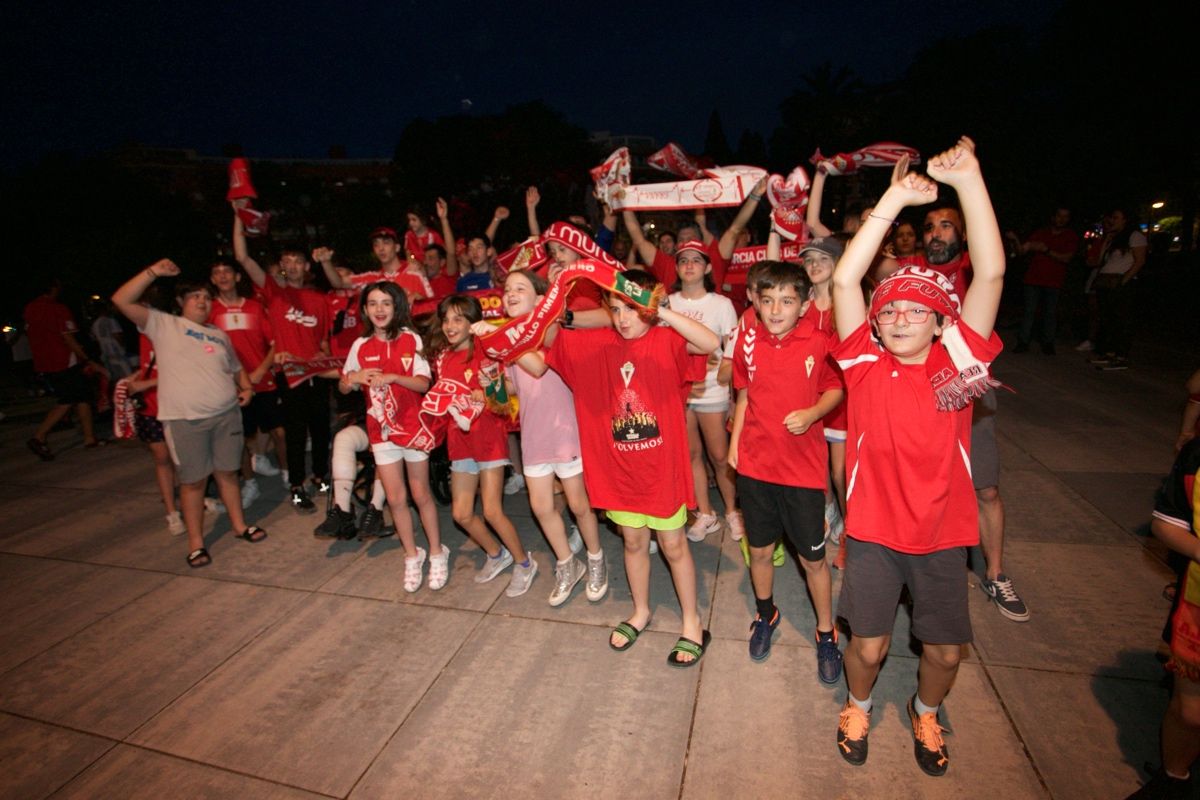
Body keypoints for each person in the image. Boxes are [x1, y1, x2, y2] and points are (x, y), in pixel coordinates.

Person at [831, 138, 1004, 777]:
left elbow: (989, 274)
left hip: (940, 534)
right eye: (891, 310)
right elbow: (847, 277)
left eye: (917, 310)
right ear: (875, 325)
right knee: (868, 648)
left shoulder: (958, 365)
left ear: (941, 323)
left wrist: (972, 183)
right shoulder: (863, 365)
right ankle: (857, 703)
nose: (901, 317)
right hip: (874, 532)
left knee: (947, 654)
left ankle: (925, 711)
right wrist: (895, 197)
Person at [523, 269, 721, 666]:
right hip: (620, 470)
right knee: (632, 542)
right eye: (616, 310)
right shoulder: (597, 345)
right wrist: (557, 298)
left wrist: (661, 312)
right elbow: (545, 345)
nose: (624, 319)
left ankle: (691, 621)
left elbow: (710, 342)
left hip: (661, 469)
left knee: (673, 544)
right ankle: (641, 611)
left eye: (631, 309)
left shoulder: (667, 339)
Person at [728, 260, 843, 675]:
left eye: (787, 301)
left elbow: (835, 387)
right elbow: (743, 391)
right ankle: (766, 614)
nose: (776, 310)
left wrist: (813, 413)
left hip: (802, 473)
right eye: (768, 300)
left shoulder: (819, 340)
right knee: (759, 551)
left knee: (813, 560)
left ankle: (826, 633)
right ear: (756, 302)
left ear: (804, 303)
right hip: (756, 467)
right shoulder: (748, 339)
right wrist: (735, 443)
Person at [111, 259, 266, 568]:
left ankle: (239, 525)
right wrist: (152, 272)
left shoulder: (219, 335)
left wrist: (246, 389)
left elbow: (236, 369)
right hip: (185, 420)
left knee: (228, 473)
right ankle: (197, 542)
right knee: (193, 481)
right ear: (181, 302)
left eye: (206, 297)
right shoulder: (164, 325)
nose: (202, 301)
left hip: (226, 416)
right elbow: (121, 300)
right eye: (195, 296)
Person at [484, 269, 607, 606]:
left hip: (565, 430)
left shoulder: (549, 332)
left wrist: (501, 342)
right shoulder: (508, 339)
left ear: (539, 300)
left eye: (519, 288)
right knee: (541, 506)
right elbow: (506, 391)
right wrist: (489, 382)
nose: (510, 294)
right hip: (534, 436)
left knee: (580, 505)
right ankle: (568, 564)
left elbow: (538, 367)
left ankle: (596, 559)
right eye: (507, 289)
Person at [340, 282, 447, 591]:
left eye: (386, 303)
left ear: (397, 306)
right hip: (381, 432)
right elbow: (344, 386)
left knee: (421, 494)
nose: (379, 309)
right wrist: (353, 378)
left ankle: (437, 553)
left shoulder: (411, 339)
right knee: (396, 498)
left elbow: (424, 384)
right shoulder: (360, 345)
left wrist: (395, 377)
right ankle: (412, 556)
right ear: (364, 310)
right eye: (373, 303)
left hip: (414, 429)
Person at [430, 294, 537, 596]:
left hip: (488, 440)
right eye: (446, 319)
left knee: (491, 511)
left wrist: (487, 394)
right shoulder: (442, 358)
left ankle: (524, 563)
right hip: (460, 443)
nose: (450, 326)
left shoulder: (487, 352)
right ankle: (496, 554)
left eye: (458, 319)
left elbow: (503, 401)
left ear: (472, 322)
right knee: (461, 514)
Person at [233, 208, 332, 512]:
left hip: (315, 373)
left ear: (306, 266)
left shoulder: (319, 299)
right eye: (286, 261)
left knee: (321, 429)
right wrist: (239, 216)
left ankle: (319, 476)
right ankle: (296, 484)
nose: (292, 265)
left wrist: (323, 356)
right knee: (294, 432)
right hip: (289, 374)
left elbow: (325, 340)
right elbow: (243, 258)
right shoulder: (275, 291)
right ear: (282, 267)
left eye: (297, 261)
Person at [1127, 438, 1200, 799]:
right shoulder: (1197, 454)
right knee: (1190, 713)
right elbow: (1167, 524)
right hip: (1197, 609)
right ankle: (1174, 779)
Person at [667, 240, 740, 542]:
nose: (689, 265)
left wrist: (735, 398)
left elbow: (733, 353)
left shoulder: (721, 304)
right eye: (683, 260)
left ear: (708, 268)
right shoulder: (667, 303)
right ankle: (706, 513)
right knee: (691, 454)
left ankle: (733, 511)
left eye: (696, 260)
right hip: (679, 393)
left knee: (720, 456)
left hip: (713, 390)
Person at [208, 259, 282, 507]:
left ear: (237, 277)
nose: (222, 276)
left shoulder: (254, 307)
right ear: (212, 279)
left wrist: (261, 370)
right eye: (217, 273)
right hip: (230, 387)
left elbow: (274, 344)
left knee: (279, 432)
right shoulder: (210, 312)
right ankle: (250, 483)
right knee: (238, 440)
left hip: (261, 381)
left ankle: (288, 476)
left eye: (227, 271)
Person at [24, 277, 106, 459]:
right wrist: (86, 359)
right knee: (68, 399)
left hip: (43, 361)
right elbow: (68, 338)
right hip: (64, 360)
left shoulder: (30, 308)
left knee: (82, 395)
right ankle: (39, 436)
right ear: (53, 288)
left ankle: (89, 438)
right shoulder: (58, 308)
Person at [127, 330, 182, 535]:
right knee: (162, 457)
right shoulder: (143, 335)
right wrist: (136, 377)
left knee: (184, 459)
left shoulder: (178, 333)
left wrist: (147, 383)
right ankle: (172, 512)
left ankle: (197, 499)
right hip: (150, 406)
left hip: (177, 405)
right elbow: (148, 365)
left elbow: (184, 371)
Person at [1010, 207, 1079, 354]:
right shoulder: (1041, 233)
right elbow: (1022, 251)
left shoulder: (1070, 236)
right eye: (1059, 216)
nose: (1062, 219)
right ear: (1053, 217)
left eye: (1065, 217)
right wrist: (1015, 240)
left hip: (1054, 281)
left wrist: (1046, 250)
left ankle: (1048, 343)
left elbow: (1066, 258)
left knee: (1050, 313)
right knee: (1029, 311)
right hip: (1033, 279)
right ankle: (1023, 342)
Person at [1089, 207, 1147, 371]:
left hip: (1121, 283)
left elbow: (1140, 261)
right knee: (1107, 319)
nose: (1112, 221)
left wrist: (1124, 280)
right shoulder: (1114, 238)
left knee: (1121, 320)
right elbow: (1100, 261)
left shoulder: (1135, 236)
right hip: (1106, 282)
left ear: (1125, 220)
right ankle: (1109, 353)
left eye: (1116, 217)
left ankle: (1121, 356)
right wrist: (1106, 241)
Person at [316, 227, 433, 304]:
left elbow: (432, 306)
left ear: (397, 247)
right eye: (376, 245)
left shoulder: (415, 273)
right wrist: (326, 262)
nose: (381, 248)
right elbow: (339, 283)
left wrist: (419, 300)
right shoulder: (371, 279)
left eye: (386, 243)